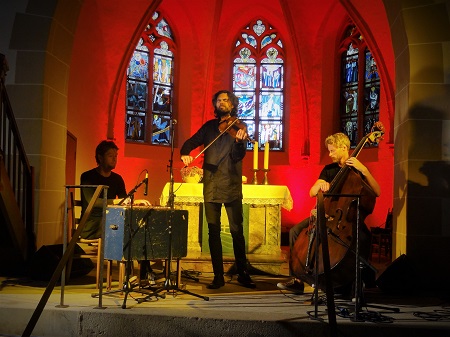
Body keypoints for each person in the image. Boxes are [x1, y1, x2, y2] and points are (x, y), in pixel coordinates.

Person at [277, 132, 381, 294]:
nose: (330, 154)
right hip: (325, 214)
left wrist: (365, 170)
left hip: (346, 219)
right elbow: (312, 192)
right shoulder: (329, 170)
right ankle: (297, 280)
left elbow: (377, 191)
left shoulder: (358, 171)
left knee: (364, 238)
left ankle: (357, 280)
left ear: (344, 148)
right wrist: (321, 185)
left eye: (332, 150)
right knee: (295, 231)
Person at [180, 89, 256, 289]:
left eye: (226, 100)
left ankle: (243, 273)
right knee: (213, 231)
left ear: (232, 104)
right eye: (219, 100)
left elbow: (238, 156)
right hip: (212, 184)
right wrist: (185, 153)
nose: (222, 103)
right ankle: (218, 276)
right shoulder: (209, 127)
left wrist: (240, 142)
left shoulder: (240, 127)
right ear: (215, 105)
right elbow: (191, 142)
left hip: (231, 184)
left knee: (236, 230)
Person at [79, 140, 155, 285]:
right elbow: (93, 202)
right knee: (125, 230)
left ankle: (143, 271)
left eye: (116, 156)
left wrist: (136, 202)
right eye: (110, 156)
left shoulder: (117, 178)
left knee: (138, 226)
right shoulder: (87, 176)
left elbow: (124, 200)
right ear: (100, 157)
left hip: (110, 222)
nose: (114, 159)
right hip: (92, 225)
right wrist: (115, 202)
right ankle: (128, 275)